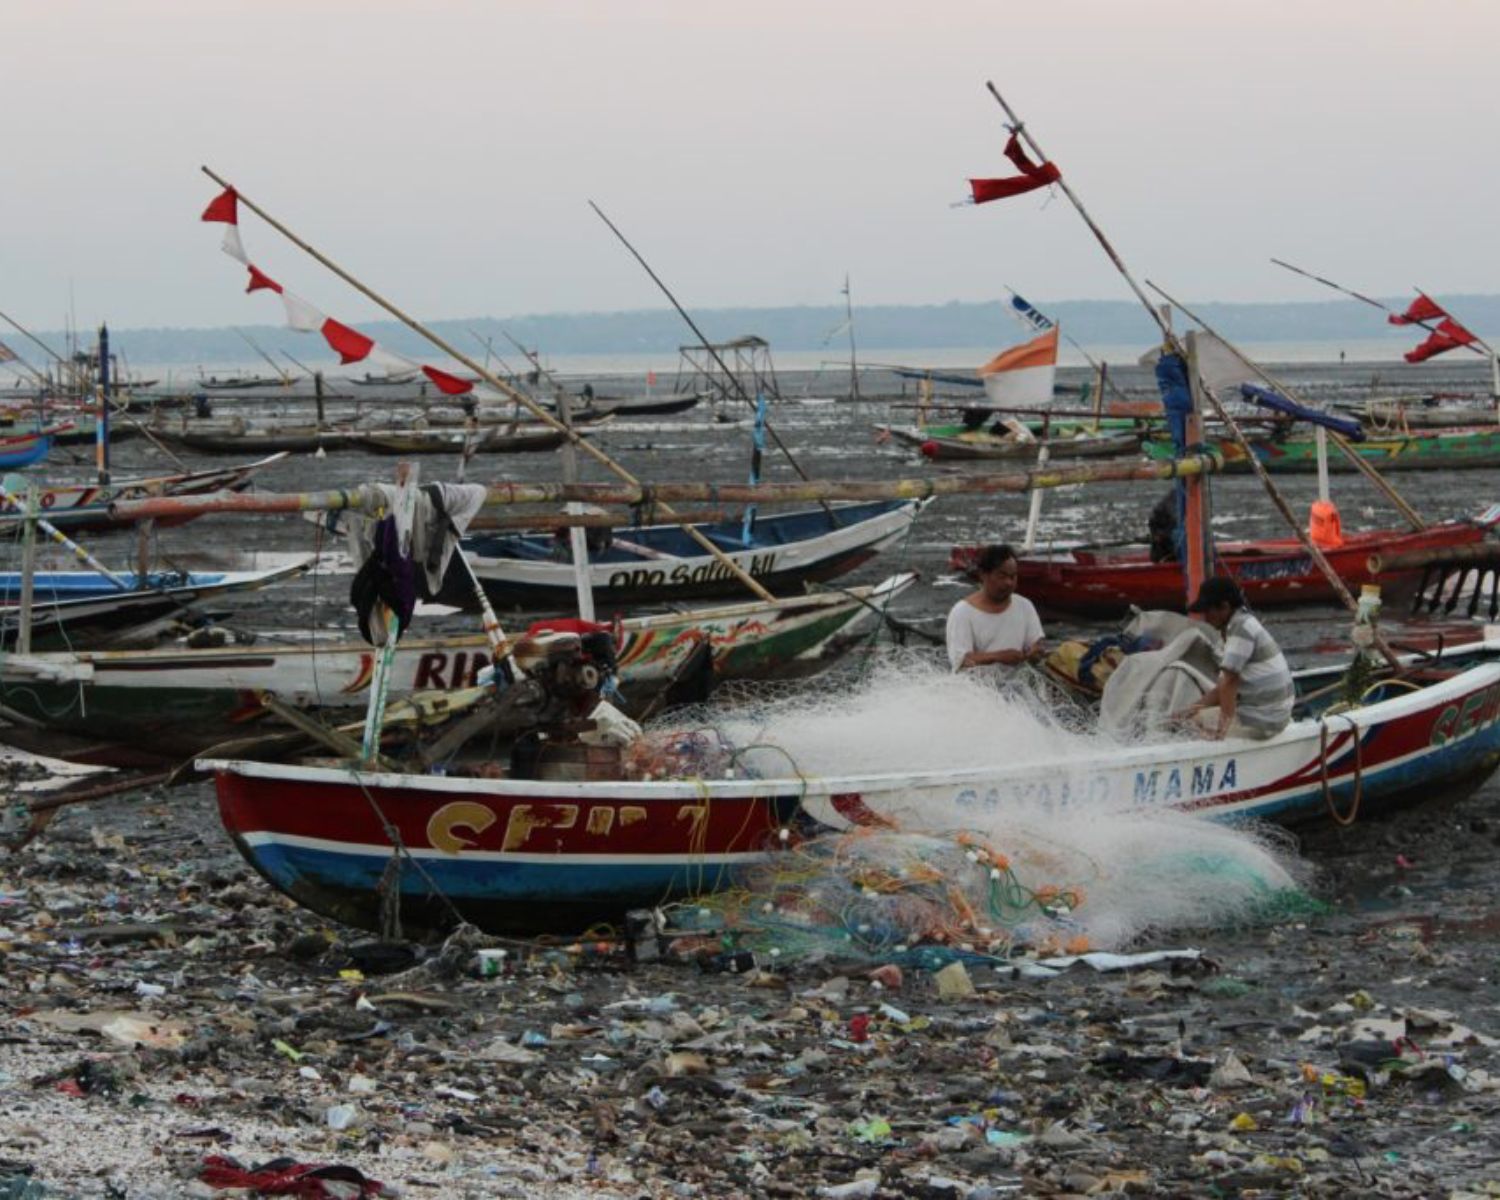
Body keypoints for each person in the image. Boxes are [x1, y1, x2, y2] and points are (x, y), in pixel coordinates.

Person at [1176, 576, 1294, 739]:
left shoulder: (1240, 628)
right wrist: (1189, 709)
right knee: (1189, 716)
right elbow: (1223, 687)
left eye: (1208, 611)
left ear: (1225, 606)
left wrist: (1223, 728)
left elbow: (1229, 682)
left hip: (1265, 721)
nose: (1205, 618)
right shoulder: (1244, 622)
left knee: (1190, 724)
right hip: (1275, 715)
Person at [946, 543, 1045, 672]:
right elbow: (961, 661)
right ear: (983, 575)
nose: (1009, 582)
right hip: (975, 688)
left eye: (1013, 576)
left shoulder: (1024, 606)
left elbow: (1035, 645)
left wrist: (1035, 652)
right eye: (1002, 576)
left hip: (1018, 684)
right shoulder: (962, 612)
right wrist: (999, 657)